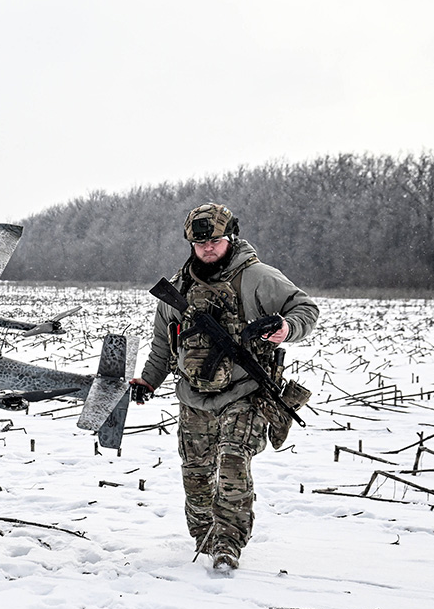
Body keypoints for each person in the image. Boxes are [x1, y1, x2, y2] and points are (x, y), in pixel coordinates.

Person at [130, 203, 318, 572]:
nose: (208, 248)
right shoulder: (178, 288)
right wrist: (149, 380)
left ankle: (228, 545)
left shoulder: (257, 277)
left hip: (244, 392)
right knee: (196, 475)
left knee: (233, 463)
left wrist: (285, 328)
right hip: (193, 395)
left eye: (215, 240)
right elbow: (163, 345)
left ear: (229, 237)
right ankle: (204, 538)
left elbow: (305, 308)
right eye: (200, 243)